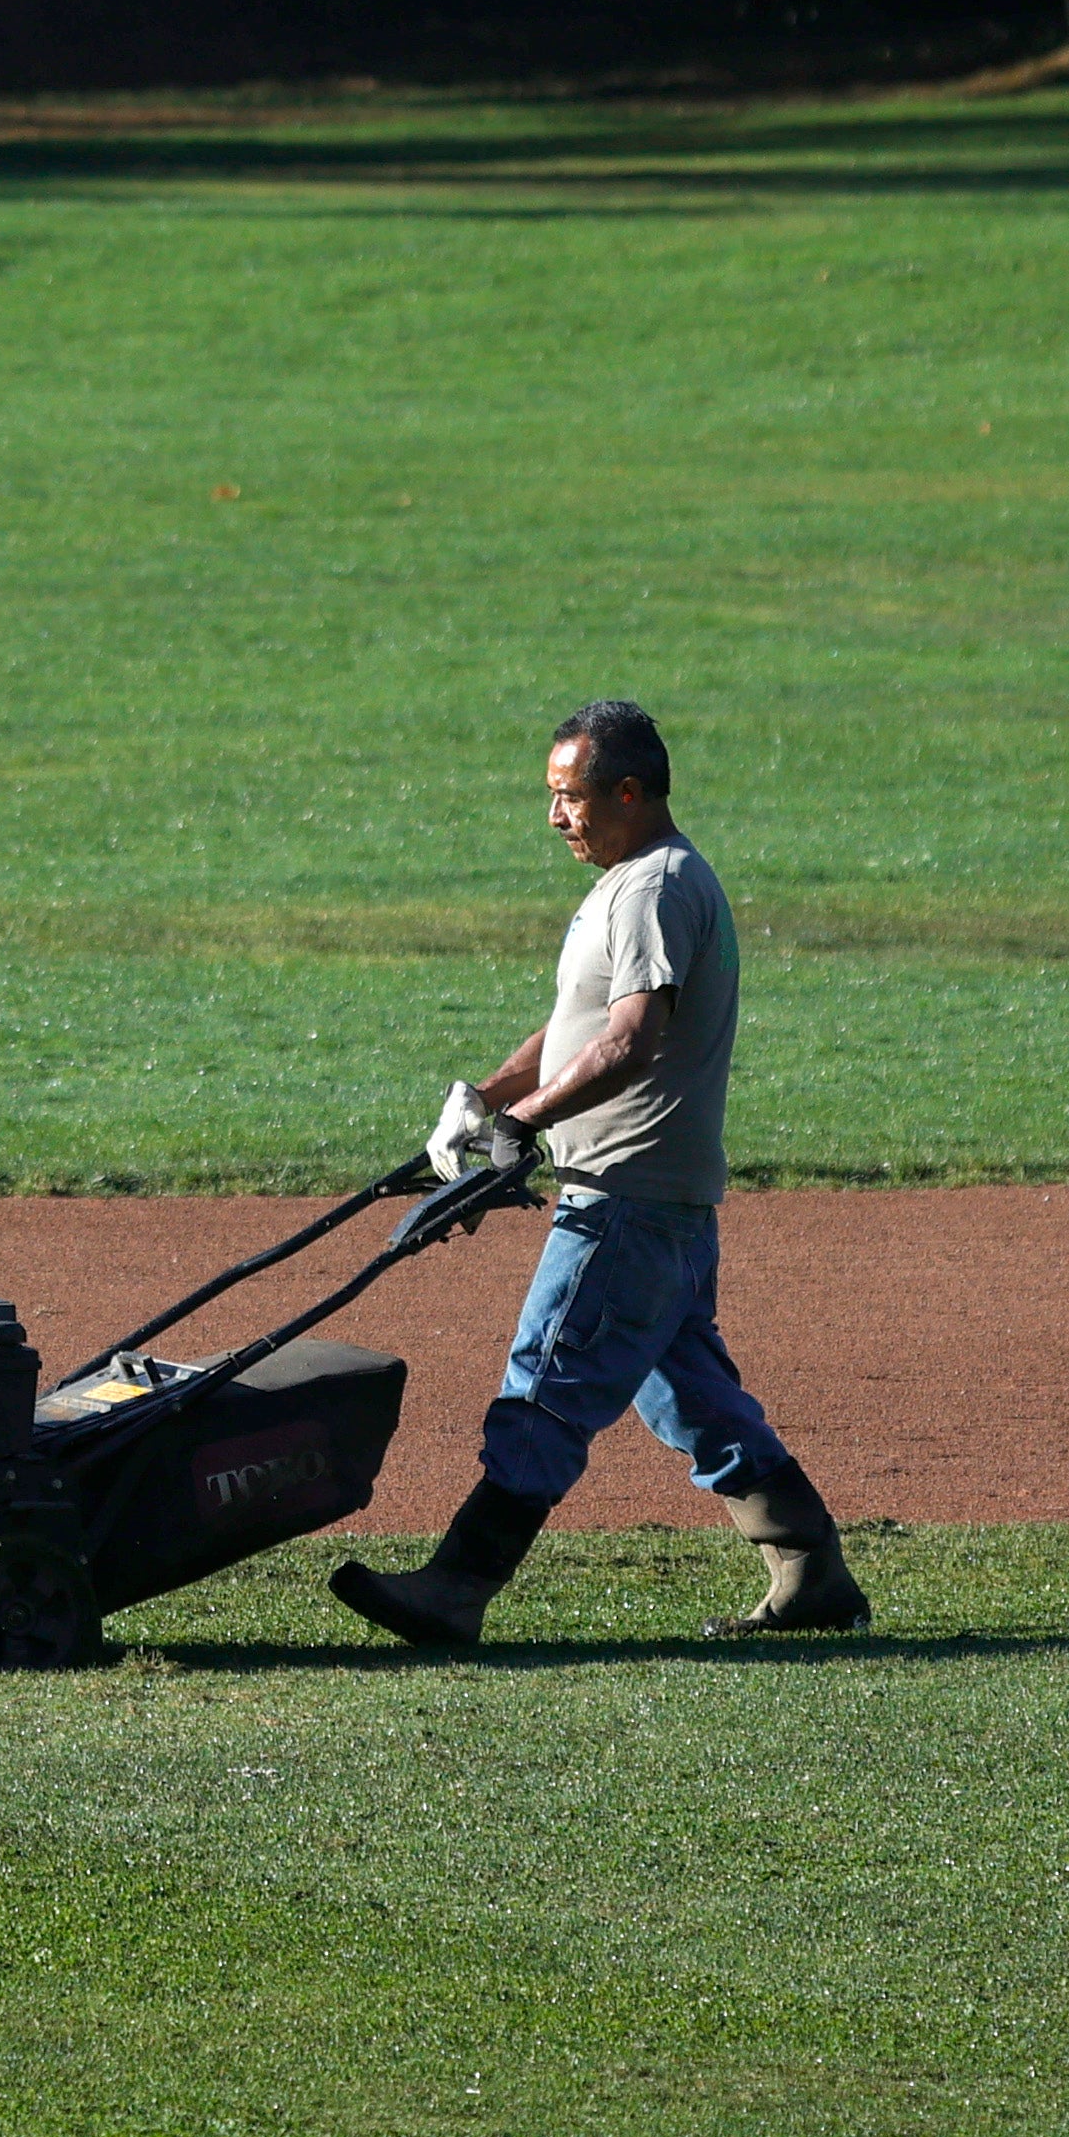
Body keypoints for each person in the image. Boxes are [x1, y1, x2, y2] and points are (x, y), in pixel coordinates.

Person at [331, 698, 871, 1647]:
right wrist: (489, 1099)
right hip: (660, 1205)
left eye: (569, 797)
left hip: (623, 1198)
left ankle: (457, 1588)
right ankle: (810, 1571)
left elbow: (627, 1043)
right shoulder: (631, 880)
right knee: (694, 1397)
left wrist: (526, 1131)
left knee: (545, 1386)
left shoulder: (659, 886)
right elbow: (577, 1024)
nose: (555, 817)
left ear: (628, 792)